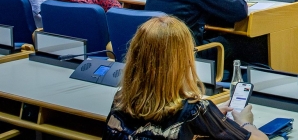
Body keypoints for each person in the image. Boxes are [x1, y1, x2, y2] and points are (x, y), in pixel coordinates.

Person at [104, 16, 268, 140]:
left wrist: (213, 115)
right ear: (182, 61)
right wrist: (246, 123)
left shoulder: (121, 99)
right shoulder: (194, 110)